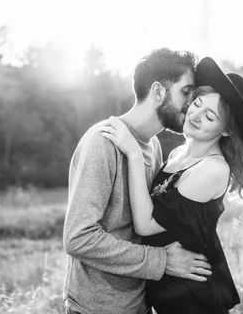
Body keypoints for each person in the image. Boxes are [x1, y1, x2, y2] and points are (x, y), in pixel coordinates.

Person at [101, 56, 243, 314]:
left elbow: (146, 225)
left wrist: (134, 154)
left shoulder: (213, 169)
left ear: (225, 131)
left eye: (210, 116)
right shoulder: (179, 155)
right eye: (197, 104)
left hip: (195, 301)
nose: (195, 115)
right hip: (168, 297)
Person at [63, 48, 214, 314]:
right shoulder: (102, 143)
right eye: (186, 91)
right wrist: (162, 261)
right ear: (158, 92)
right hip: (96, 308)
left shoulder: (152, 145)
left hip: (138, 304)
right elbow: (78, 238)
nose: (192, 103)